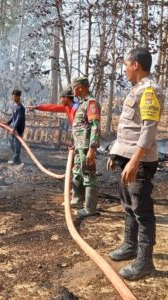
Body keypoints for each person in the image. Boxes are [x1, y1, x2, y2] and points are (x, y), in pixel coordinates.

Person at [107, 48, 164, 280]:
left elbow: (149, 129)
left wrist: (134, 161)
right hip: (127, 157)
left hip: (138, 162)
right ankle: (130, 246)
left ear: (136, 65)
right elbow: (128, 129)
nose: (124, 69)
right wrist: (116, 153)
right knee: (129, 205)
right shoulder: (137, 90)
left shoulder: (150, 90)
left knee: (142, 211)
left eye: (126, 65)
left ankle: (145, 262)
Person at [71, 77, 101, 218]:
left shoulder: (91, 103)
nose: (73, 90)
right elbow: (80, 126)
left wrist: (92, 149)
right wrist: (75, 144)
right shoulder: (81, 103)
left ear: (81, 87)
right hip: (79, 146)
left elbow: (95, 126)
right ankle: (77, 200)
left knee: (89, 175)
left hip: (86, 147)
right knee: (77, 171)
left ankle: (90, 208)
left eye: (74, 87)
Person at [6, 89, 25, 165]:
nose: (13, 98)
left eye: (14, 97)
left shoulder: (21, 108)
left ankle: (15, 160)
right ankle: (17, 159)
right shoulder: (14, 106)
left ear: (18, 97)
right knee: (11, 143)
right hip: (13, 127)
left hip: (18, 129)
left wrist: (14, 128)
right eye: (13, 97)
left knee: (17, 144)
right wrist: (7, 123)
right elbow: (13, 117)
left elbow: (19, 118)